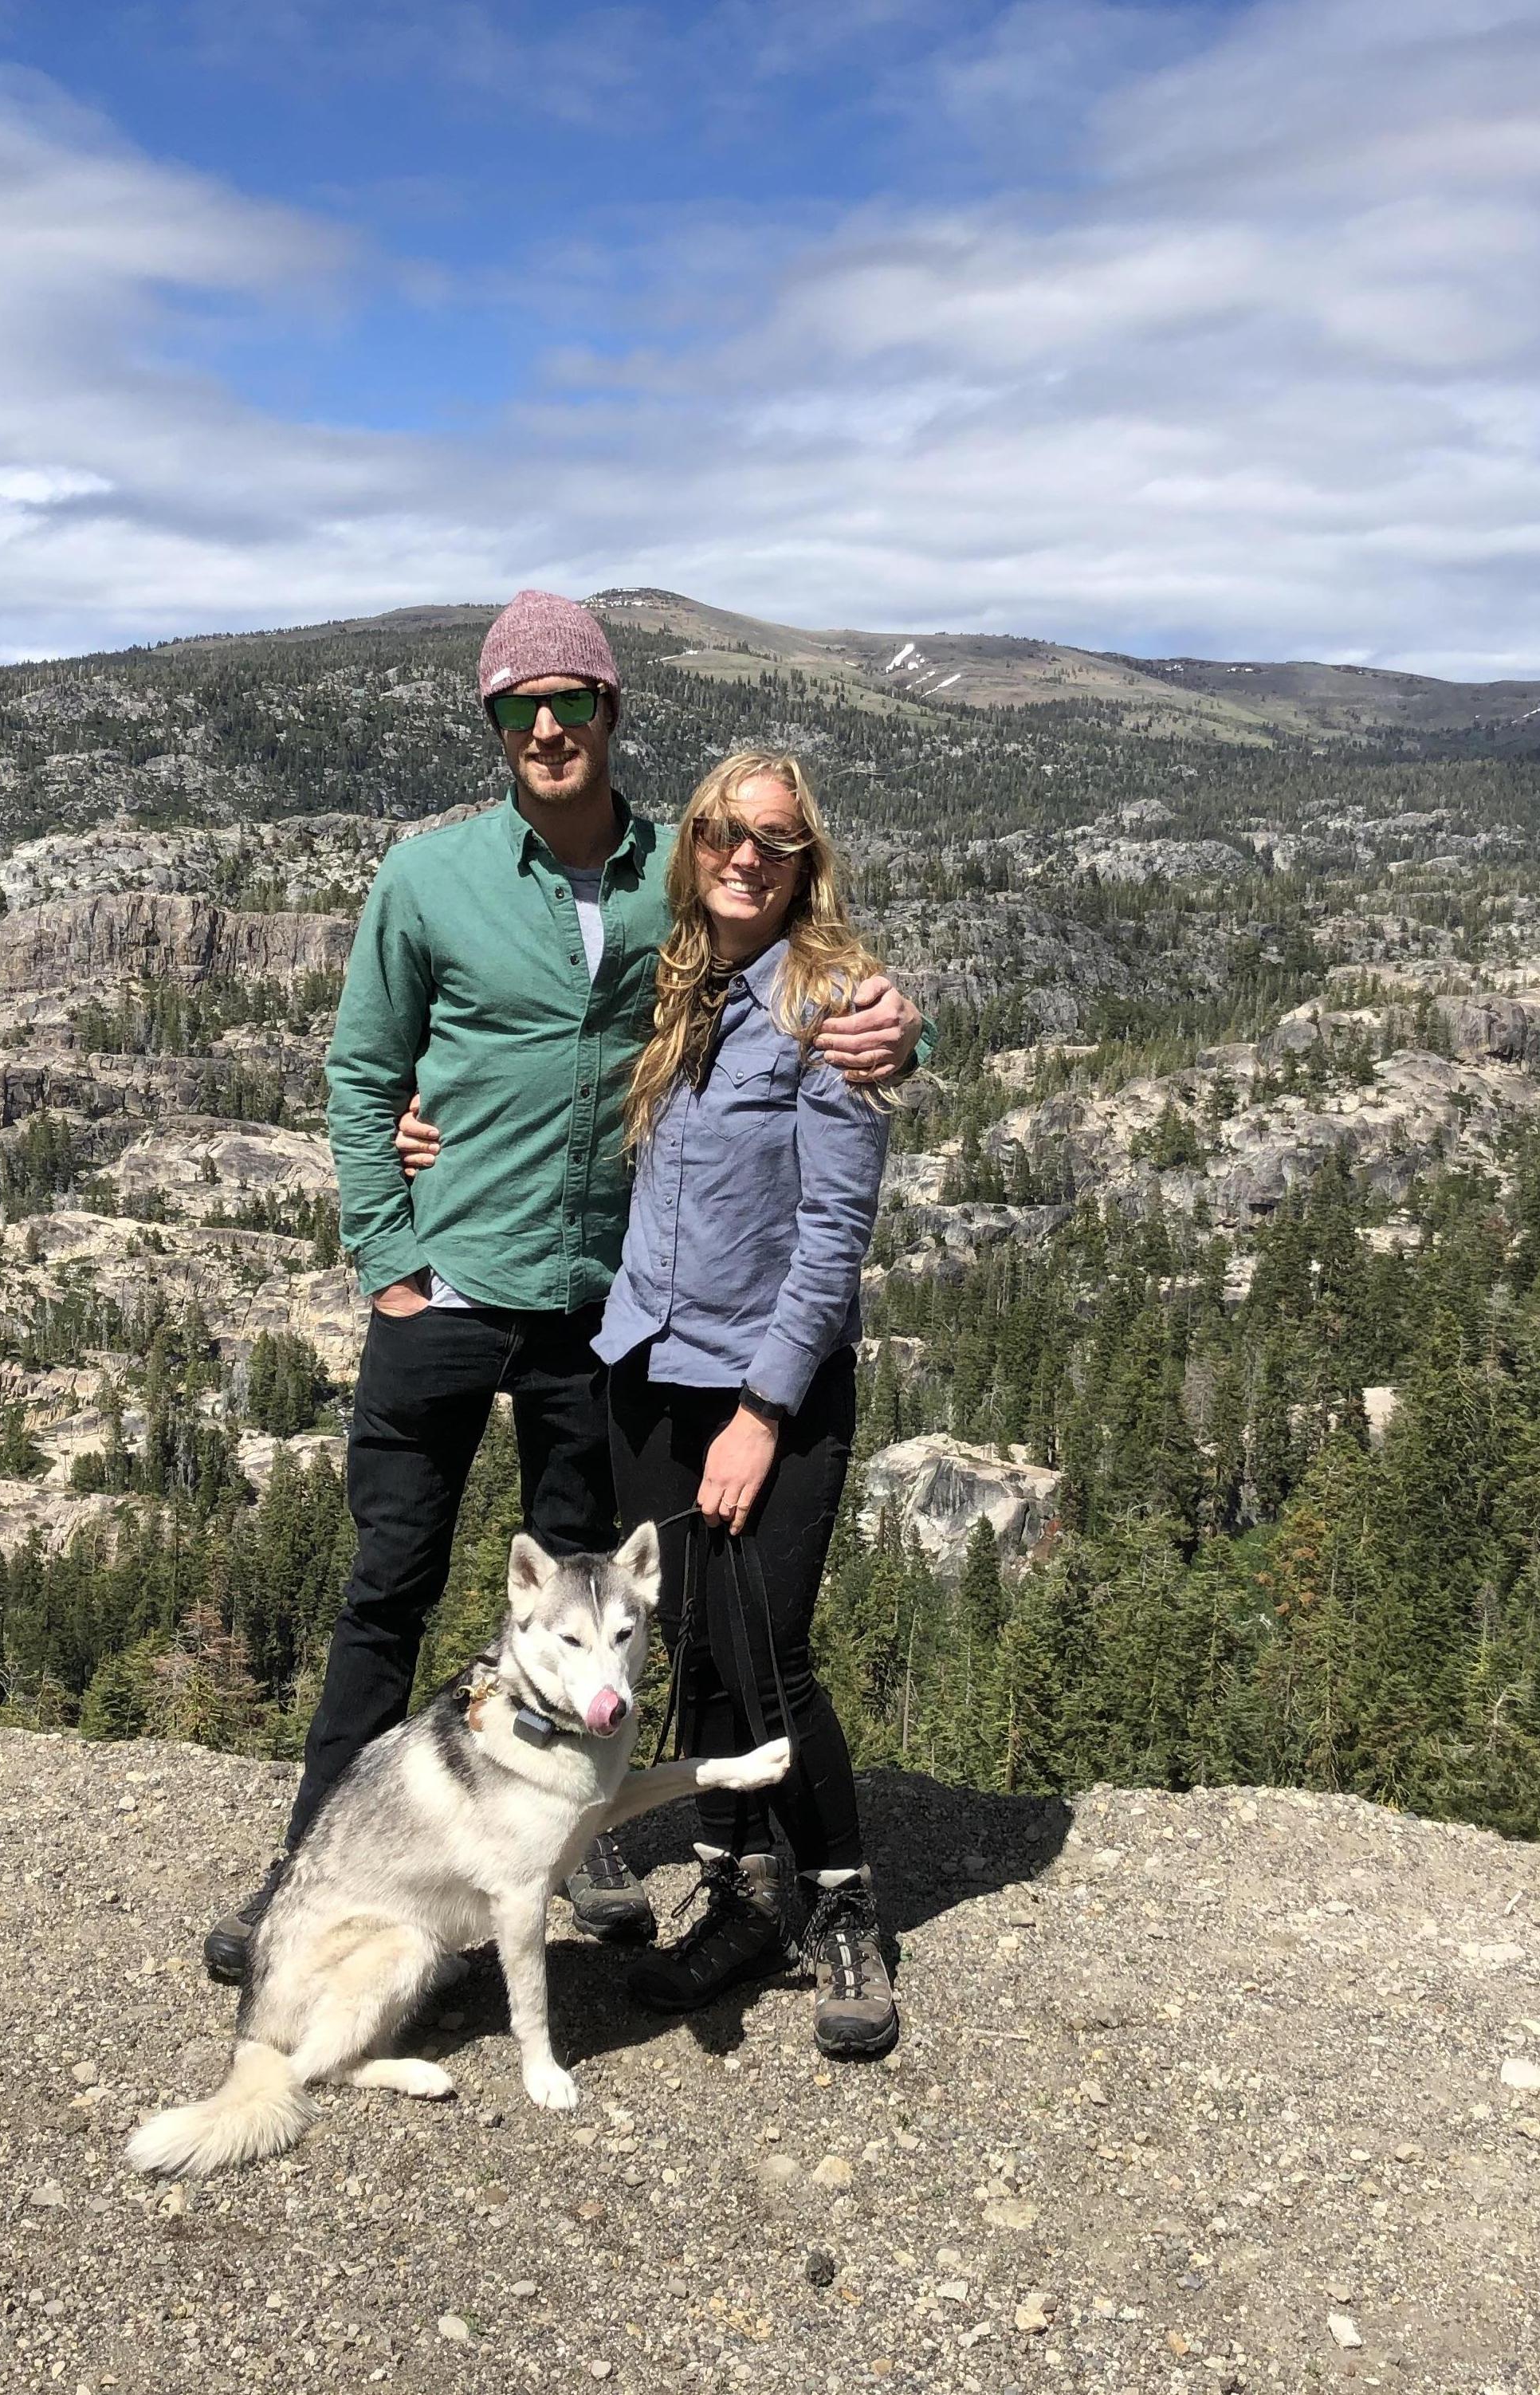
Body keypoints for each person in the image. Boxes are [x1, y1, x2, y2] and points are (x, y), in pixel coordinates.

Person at [202, 594, 924, 1983]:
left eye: (571, 700)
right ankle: (310, 1871)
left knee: (586, 1600)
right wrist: (390, 1258)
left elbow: (806, 963)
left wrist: (907, 1021)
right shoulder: (428, 879)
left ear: (610, 711)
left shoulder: (682, 866)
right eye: (516, 705)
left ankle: (574, 1840)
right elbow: (364, 1073)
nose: (546, 726)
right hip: (454, 1289)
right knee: (387, 1594)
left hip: (603, 1328)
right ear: (490, 724)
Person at [397, 749, 902, 2060]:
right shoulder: (673, 983)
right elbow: (526, 1052)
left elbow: (836, 1234)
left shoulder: (830, 1004)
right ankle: (734, 1896)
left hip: (761, 1391)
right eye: (727, 833)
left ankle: (841, 1903)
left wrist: (761, 1414)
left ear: (808, 862)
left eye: (776, 841)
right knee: (693, 1645)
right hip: (646, 1375)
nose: (748, 856)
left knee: (767, 1652)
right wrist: (428, 1115)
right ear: (696, 848)